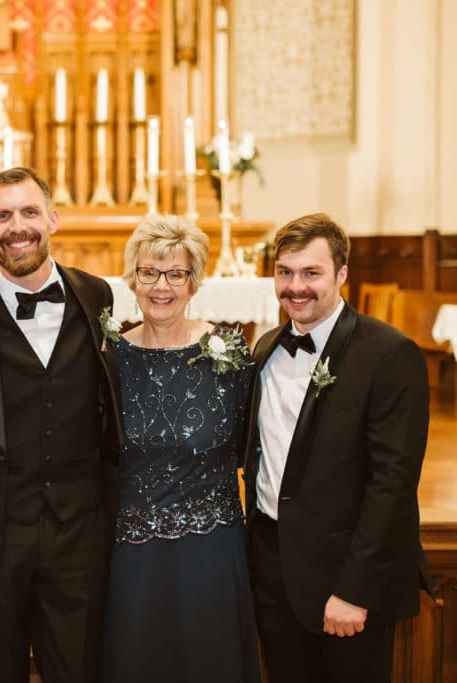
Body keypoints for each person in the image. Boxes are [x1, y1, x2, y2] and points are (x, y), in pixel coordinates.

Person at [0, 167, 123, 683]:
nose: (18, 227)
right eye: (3, 215)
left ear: (53, 219)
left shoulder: (96, 295)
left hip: (79, 529)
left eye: (30, 212)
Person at [242, 213, 430, 683]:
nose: (295, 287)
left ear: (342, 274)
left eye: (311, 273)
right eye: (284, 273)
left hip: (343, 582)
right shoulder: (265, 347)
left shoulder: (389, 355)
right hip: (272, 569)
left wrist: (354, 591)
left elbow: (393, 485)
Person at [100, 215, 261, 682]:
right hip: (133, 554)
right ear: (132, 279)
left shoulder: (228, 355)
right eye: (149, 272)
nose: (161, 286)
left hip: (210, 550)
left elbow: (255, 447)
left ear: (195, 281)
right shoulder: (112, 359)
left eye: (176, 273)